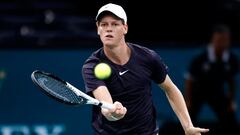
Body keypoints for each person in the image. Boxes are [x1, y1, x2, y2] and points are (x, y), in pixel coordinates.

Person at [82, 3, 209, 135]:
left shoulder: (147, 57)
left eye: (115, 24)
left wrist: (187, 126)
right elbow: (106, 105)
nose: (108, 29)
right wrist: (113, 113)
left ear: (125, 28)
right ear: (98, 29)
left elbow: (170, 89)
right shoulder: (92, 66)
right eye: (104, 24)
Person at [185, 24, 239, 134]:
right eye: (219, 40)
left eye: (225, 40)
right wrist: (188, 100)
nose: (222, 43)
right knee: (187, 119)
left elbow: (231, 81)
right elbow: (189, 81)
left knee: (230, 118)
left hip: (217, 92)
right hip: (198, 92)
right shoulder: (200, 58)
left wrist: (231, 100)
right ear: (213, 40)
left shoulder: (232, 59)